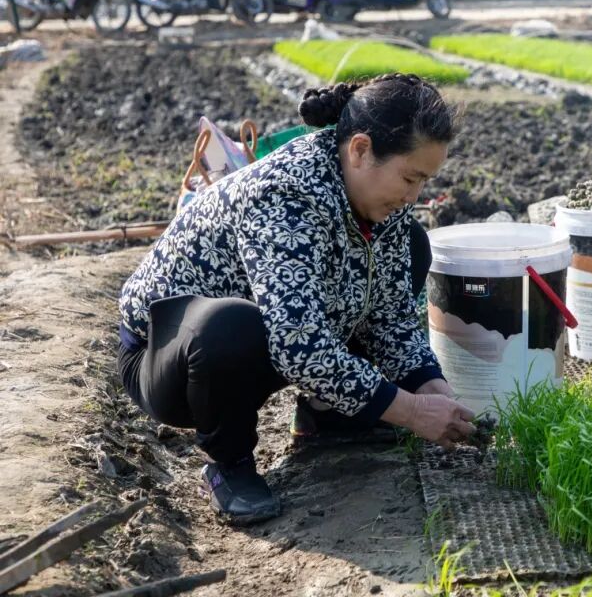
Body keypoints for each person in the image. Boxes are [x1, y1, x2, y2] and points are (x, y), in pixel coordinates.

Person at [117, 74, 476, 525]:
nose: (414, 195)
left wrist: (431, 386)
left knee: (413, 246)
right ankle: (229, 465)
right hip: (169, 357)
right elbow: (298, 345)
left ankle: (327, 414)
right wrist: (410, 411)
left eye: (424, 180)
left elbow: (391, 315)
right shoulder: (285, 193)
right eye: (410, 177)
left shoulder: (382, 203)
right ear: (360, 150)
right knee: (230, 325)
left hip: (271, 340)